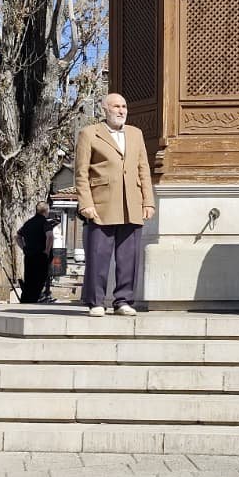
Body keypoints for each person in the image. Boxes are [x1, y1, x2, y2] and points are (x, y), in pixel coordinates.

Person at [75, 92, 156, 318]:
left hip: (132, 203)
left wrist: (148, 201)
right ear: (105, 109)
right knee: (98, 256)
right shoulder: (89, 134)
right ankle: (96, 302)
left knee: (128, 258)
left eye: (124, 106)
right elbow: (81, 173)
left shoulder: (135, 134)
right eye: (116, 107)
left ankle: (124, 301)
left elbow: (144, 169)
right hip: (101, 204)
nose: (121, 111)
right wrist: (85, 204)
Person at [16, 201, 62, 304]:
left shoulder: (28, 223)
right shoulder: (45, 222)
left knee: (29, 279)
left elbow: (18, 236)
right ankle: (34, 300)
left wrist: (23, 248)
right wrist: (46, 250)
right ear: (47, 210)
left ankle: (25, 300)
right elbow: (50, 236)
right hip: (41, 255)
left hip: (29, 255)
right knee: (39, 280)